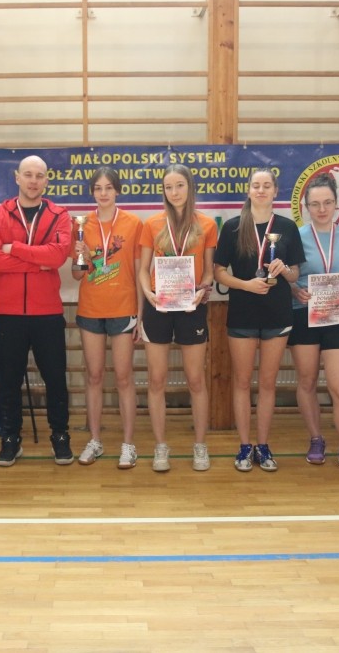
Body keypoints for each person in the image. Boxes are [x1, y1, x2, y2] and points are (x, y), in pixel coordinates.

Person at [0, 155, 73, 466]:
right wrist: (37, 262)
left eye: (39, 176)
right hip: (9, 313)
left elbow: (58, 256)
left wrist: (15, 249)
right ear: (17, 177)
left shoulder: (59, 215)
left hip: (47, 312)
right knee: (9, 379)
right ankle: (10, 437)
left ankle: (60, 436)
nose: (33, 181)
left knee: (55, 379)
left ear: (46, 180)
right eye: (28, 175)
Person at [213, 168, 304, 472]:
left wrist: (284, 269)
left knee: (267, 383)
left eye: (267, 185)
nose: (261, 190)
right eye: (256, 185)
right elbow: (218, 272)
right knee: (241, 382)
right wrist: (246, 285)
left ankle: (263, 446)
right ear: (249, 190)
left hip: (277, 314)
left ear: (275, 191)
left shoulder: (288, 227)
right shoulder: (233, 227)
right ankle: (244, 446)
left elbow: (295, 274)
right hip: (243, 313)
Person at [288, 172, 339, 476]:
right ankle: (316, 439)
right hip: (303, 313)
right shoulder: (295, 236)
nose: (322, 209)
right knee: (307, 381)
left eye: (327, 202)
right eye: (315, 204)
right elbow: (288, 276)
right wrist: (294, 290)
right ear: (306, 206)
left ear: (336, 203)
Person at [138, 163, 218, 472]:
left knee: (196, 379)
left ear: (190, 187)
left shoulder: (206, 224)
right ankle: (161, 446)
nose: (174, 192)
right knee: (156, 380)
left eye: (179, 185)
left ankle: (200, 445)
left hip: (191, 306)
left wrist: (203, 289)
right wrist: (148, 293)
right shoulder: (152, 224)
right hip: (159, 305)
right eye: (168, 187)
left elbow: (209, 270)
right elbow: (143, 269)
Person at [71, 166, 144, 469]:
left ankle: (128, 444)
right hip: (91, 310)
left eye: (108, 188)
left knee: (124, 378)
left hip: (123, 309)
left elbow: (139, 271)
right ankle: (95, 439)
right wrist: (82, 257)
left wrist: (140, 315)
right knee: (94, 377)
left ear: (117, 190)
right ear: (92, 192)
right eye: (98, 188)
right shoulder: (81, 225)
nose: (103, 193)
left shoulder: (133, 223)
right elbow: (77, 275)